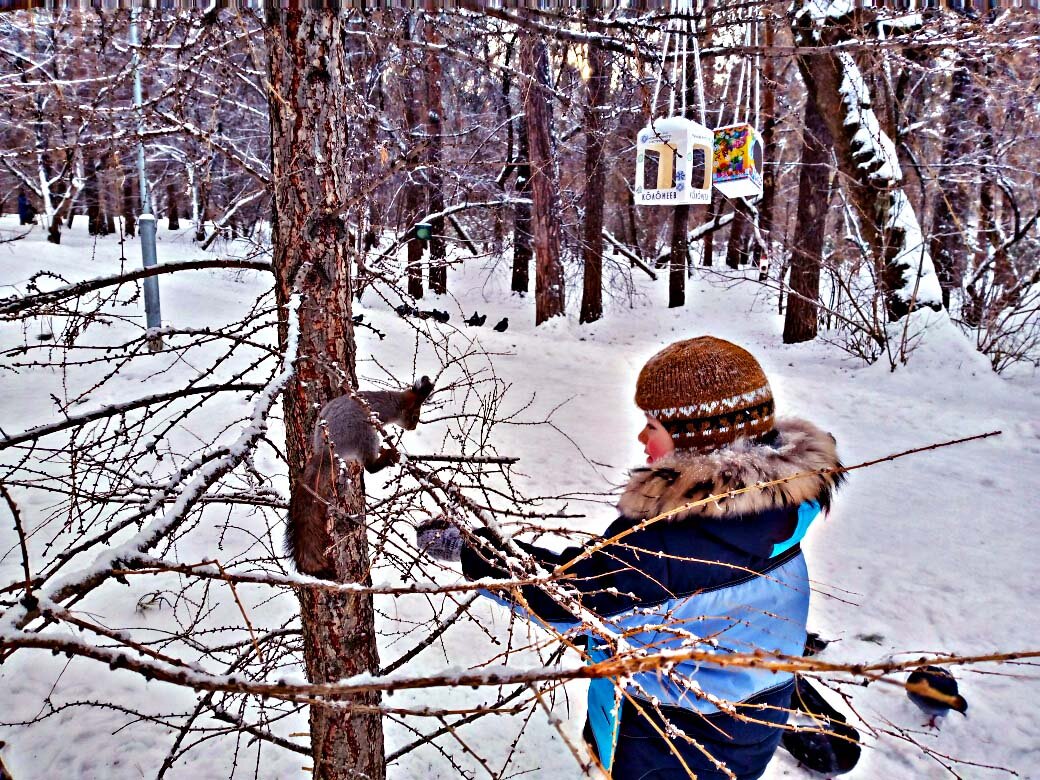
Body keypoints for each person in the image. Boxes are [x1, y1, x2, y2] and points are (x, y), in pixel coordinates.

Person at [417, 336, 844, 779]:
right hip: (753, 715)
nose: (642, 435)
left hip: (672, 740)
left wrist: (470, 550)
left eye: (653, 425)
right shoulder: (780, 503)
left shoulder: (668, 544)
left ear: (697, 440)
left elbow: (560, 596)